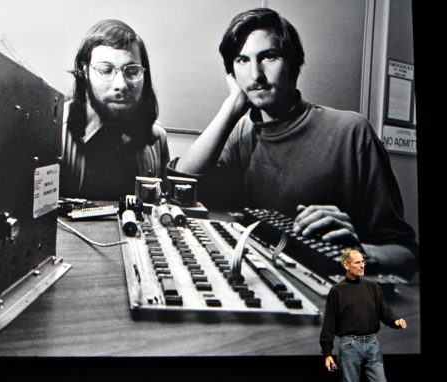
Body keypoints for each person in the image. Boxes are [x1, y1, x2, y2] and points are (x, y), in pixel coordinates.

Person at [170, 8, 417, 278]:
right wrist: (231, 107)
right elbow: (180, 187)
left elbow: (406, 256)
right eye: (242, 60)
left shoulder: (352, 132)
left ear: (293, 65)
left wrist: (360, 254)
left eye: (269, 57)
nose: (256, 75)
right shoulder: (242, 131)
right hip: (265, 287)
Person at [60, 19, 169, 200]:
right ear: (84, 71)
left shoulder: (157, 138)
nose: (121, 84)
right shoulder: (54, 134)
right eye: (105, 70)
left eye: (132, 71)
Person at [319, 249, 407, 381]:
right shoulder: (336, 290)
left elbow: (384, 311)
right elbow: (329, 324)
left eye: (363, 262)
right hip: (349, 346)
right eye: (357, 263)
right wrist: (327, 354)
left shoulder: (373, 286)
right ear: (346, 265)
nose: (362, 265)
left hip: (372, 344)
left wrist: (396, 321)